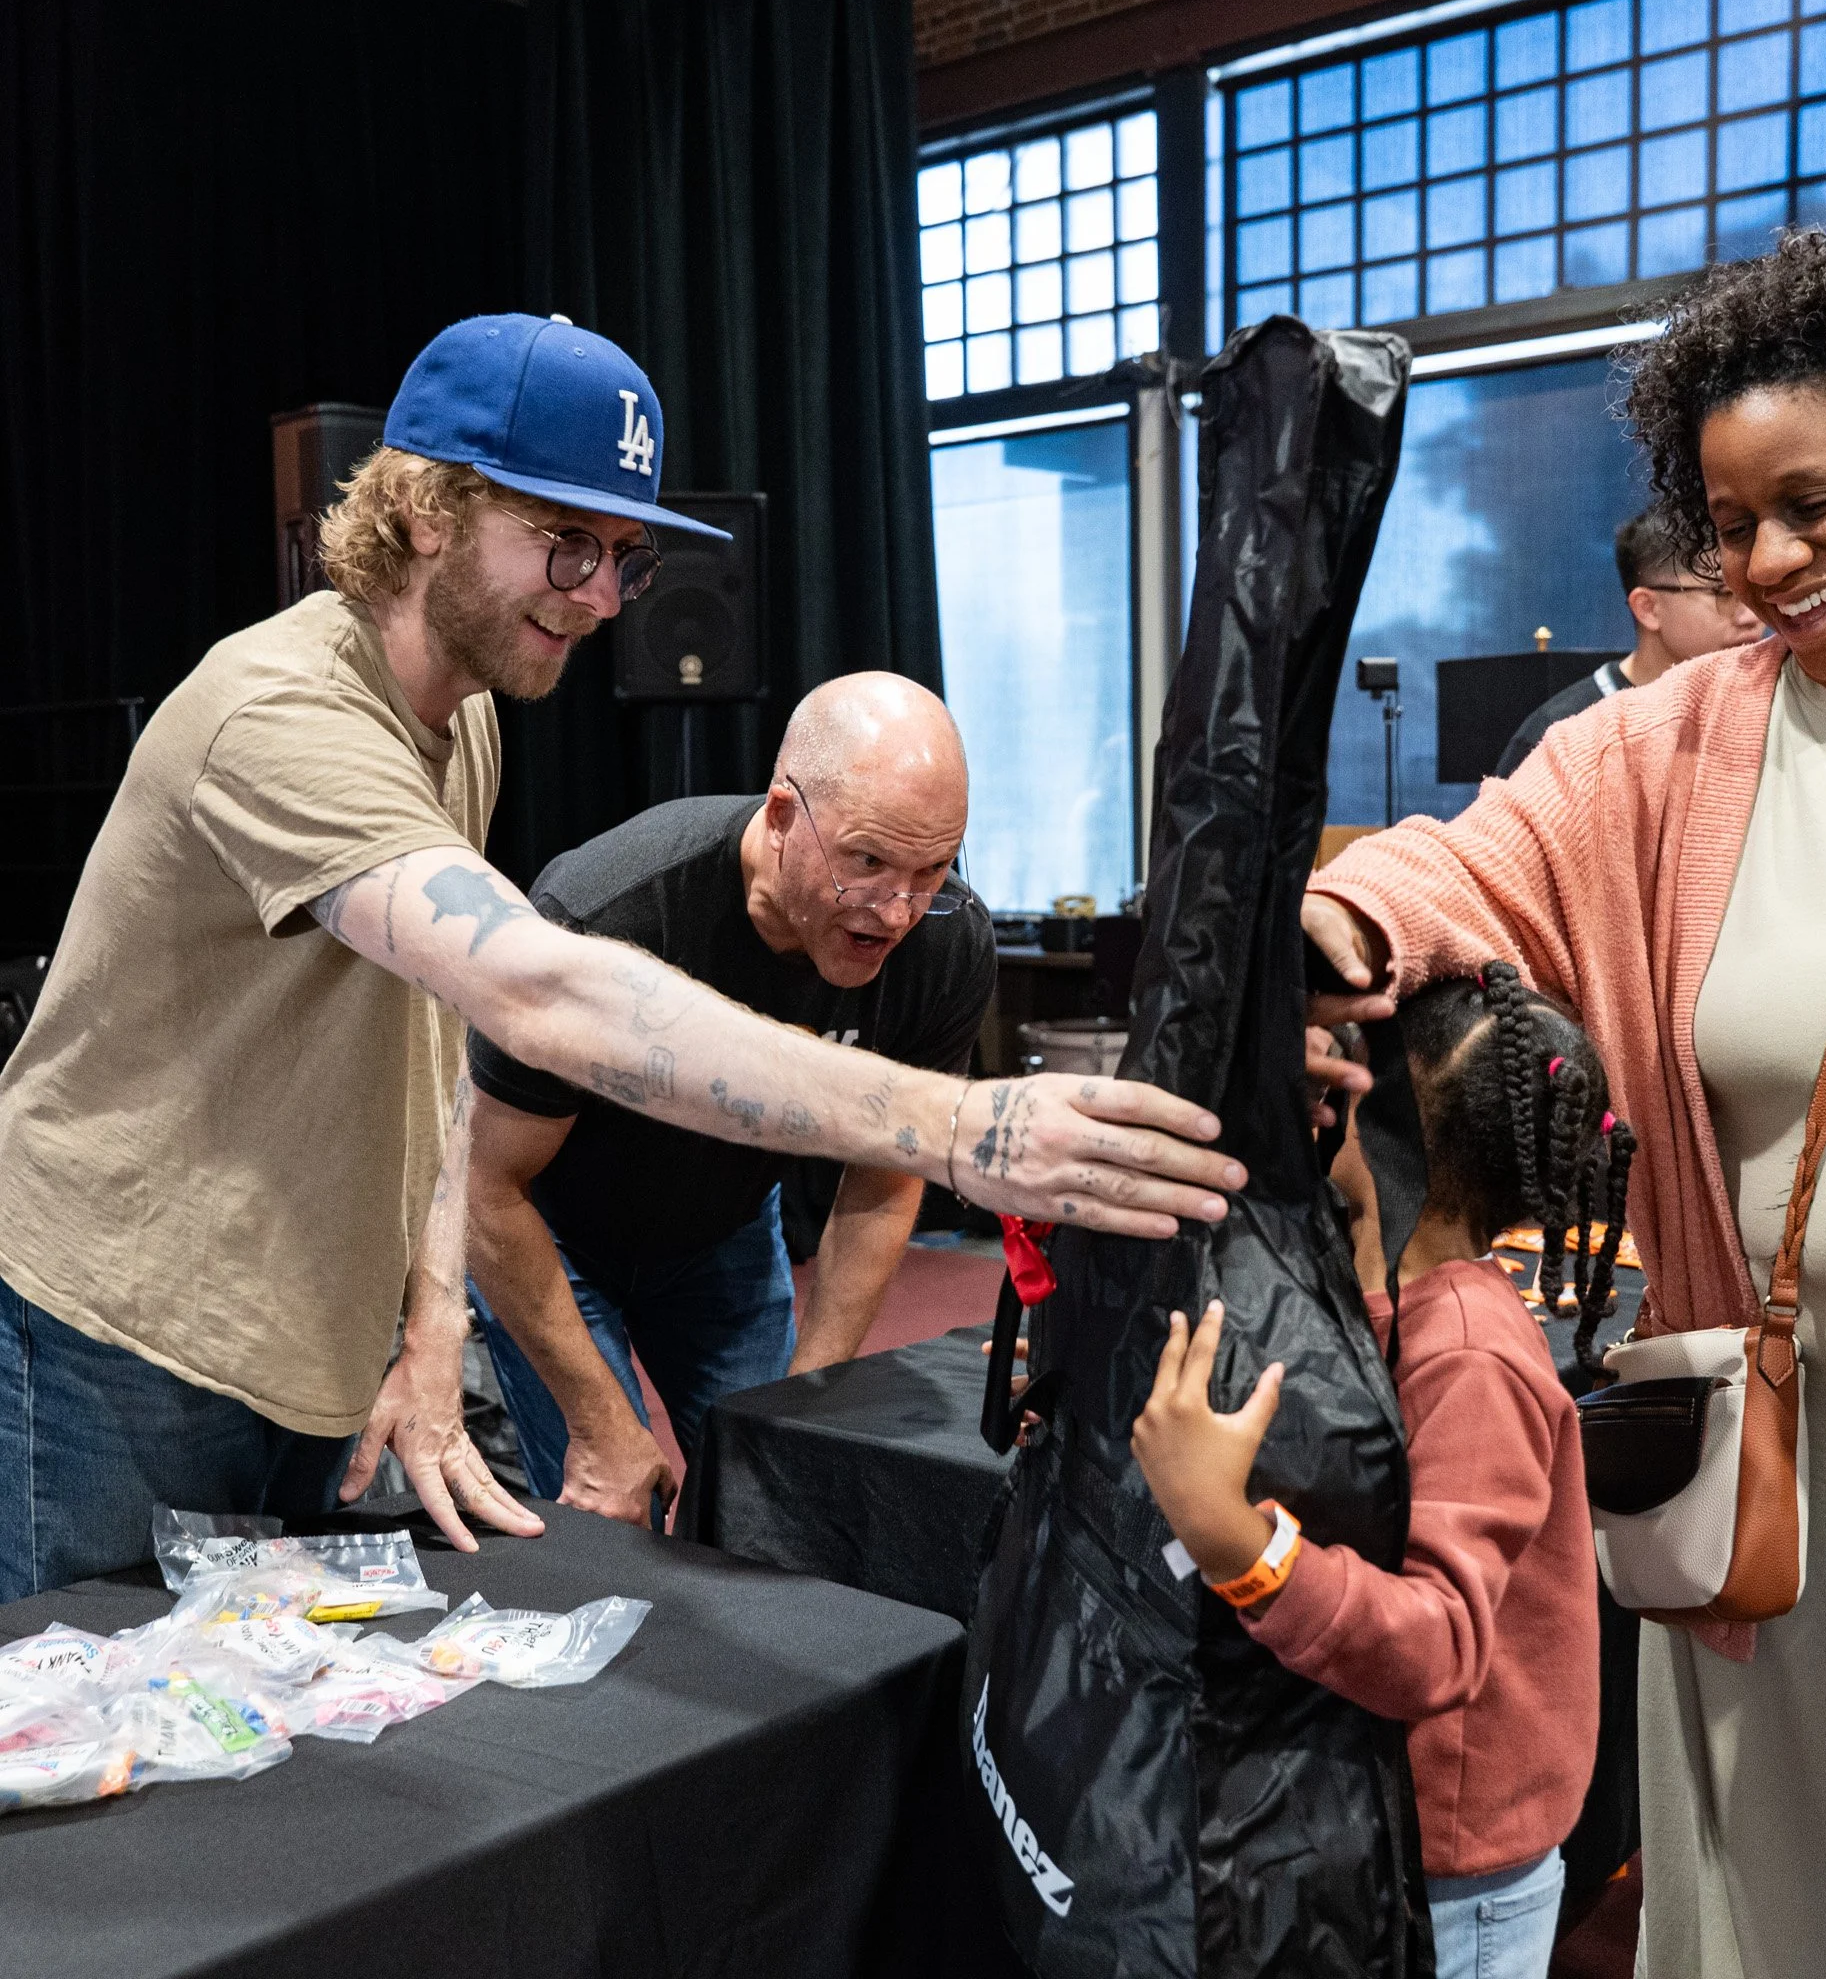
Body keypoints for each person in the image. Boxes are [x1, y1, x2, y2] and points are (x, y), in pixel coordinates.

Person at [0, 311, 1243, 1605]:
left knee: (256, 1738)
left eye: (625, 559)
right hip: (115, 1329)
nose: (600, 597)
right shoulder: (281, 712)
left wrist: (431, 1323)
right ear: (426, 507)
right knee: (87, 1755)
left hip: (295, 1326)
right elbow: (535, 993)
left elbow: (435, 1052)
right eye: (567, 544)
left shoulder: (463, 711)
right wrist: (963, 1124)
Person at [1300, 229, 1826, 1977]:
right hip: (1770, 1497)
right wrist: (1340, 920)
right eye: (1729, 521)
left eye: (1814, 499)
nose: (1767, 559)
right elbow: (1462, 861)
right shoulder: (1672, 748)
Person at [1131, 963, 1618, 1979]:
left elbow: (1438, 1643)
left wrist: (1239, 1544)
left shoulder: (1470, 1355)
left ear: (1391, 1138)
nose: (1320, 1099)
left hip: (1450, 1871)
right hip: (1359, 1821)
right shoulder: (1362, 1288)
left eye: (1346, 1086)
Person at [464, 672, 994, 1520]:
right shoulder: (606, 915)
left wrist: (812, 1400)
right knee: (613, 1508)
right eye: (866, 863)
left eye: (932, 867)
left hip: (726, 1233)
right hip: (550, 1232)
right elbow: (484, 1187)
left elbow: (888, 1173)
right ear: (783, 817)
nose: (898, 911)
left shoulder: (945, 942)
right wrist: (600, 1422)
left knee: (770, 1494)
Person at [1493, 506, 1764, 776]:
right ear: (1647, 608)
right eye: (1724, 594)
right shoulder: (1559, 732)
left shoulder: (1774, 704)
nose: (1751, 616)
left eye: (1752, 588)